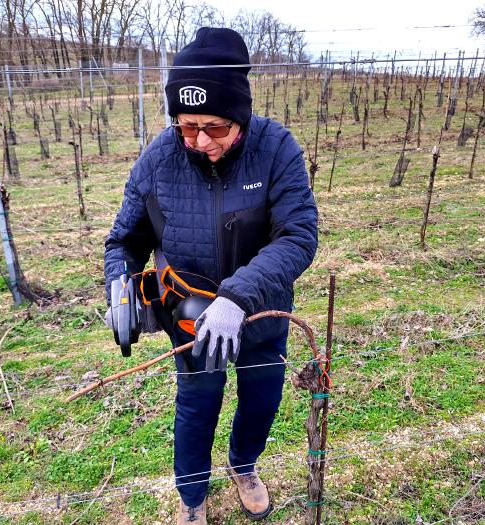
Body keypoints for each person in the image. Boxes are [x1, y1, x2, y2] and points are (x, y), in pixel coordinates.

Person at [104, 27, 318, 524]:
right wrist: (120, 288)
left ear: (240, 116)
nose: (200, 142)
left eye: (216, 128)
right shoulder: (160, 158)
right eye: (186, 126)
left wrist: (238, 296)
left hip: (261, 314)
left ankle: (244, 467)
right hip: (190, 318)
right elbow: (124, 240)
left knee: (262, 400)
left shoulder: (276, 149)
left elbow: (298, 235)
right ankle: (193, 497)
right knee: (197, 407)